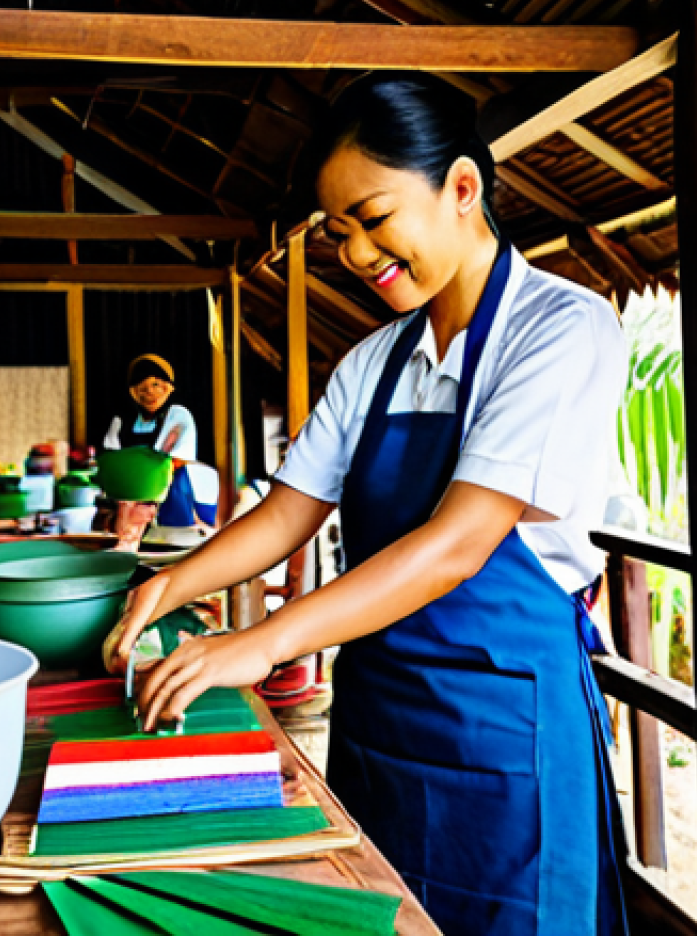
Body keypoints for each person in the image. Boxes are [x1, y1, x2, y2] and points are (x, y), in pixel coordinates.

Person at [104, 74, 628, 935]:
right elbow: (284, 515)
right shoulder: (374, 361)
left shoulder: (563, 330)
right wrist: (169, 586)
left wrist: (262, 643)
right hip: (379, 721)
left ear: (462, 188)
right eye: (338, 233)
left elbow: (459, 544)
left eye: (373, 221)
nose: (354, 255)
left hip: (507, 734)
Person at [103, 354, 202, 527]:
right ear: (133, 392)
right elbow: (112, 457)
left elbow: (178, 459)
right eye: (142, 387)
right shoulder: (122, 421)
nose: (149, 392)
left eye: (156, 384)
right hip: (129, 500)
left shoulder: (177, 415)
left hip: (171, 496)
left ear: (169, 387)